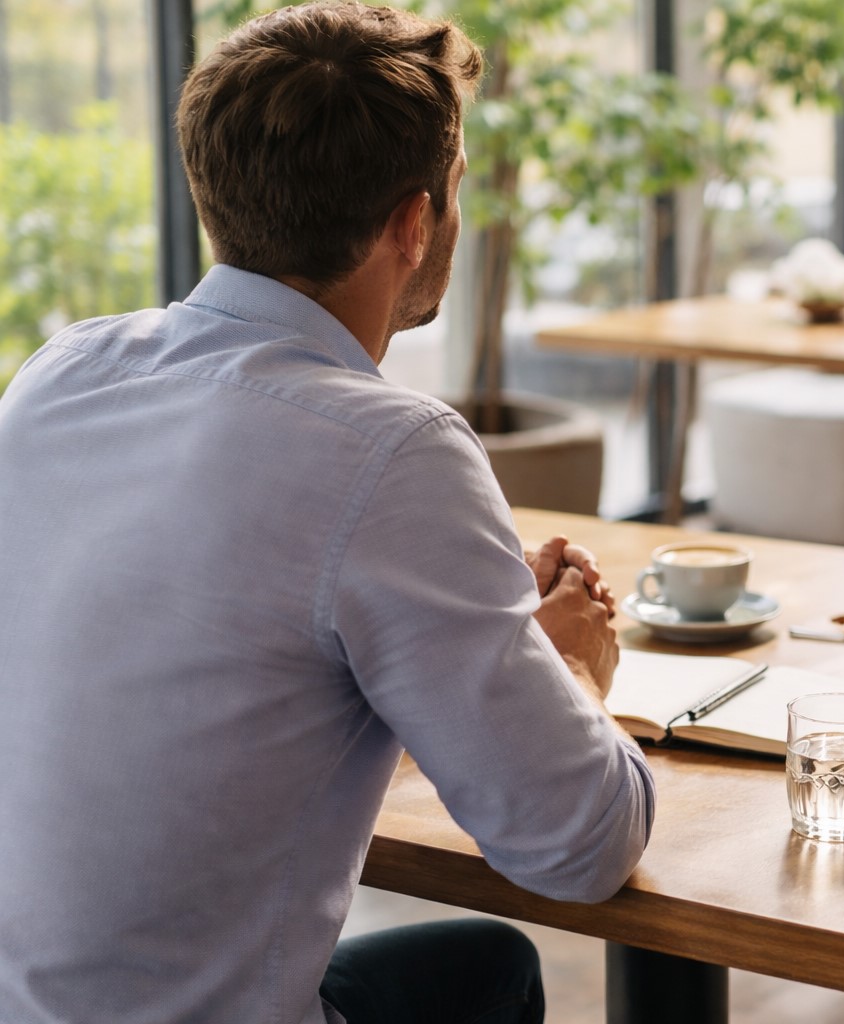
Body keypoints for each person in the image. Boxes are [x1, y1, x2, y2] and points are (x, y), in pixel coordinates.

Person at [0, 4, 654, 1022]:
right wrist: (571, 668)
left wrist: (462, 617)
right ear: (413, 223)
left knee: (475, 964)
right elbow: (579, 845)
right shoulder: (391, 450)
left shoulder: (62, 374)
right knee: (487, 970)